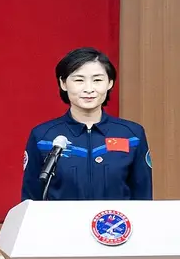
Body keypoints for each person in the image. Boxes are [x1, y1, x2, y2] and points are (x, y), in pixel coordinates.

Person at [22, 47, 152, 201]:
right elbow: (30, 199)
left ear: (110, 83)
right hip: (61, 225)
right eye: (79, 80)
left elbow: (143, 198)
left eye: (97, 80)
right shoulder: (43, 136)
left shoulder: (132, 135)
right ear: (63, 83)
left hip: (113, 224)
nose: (89, 89)